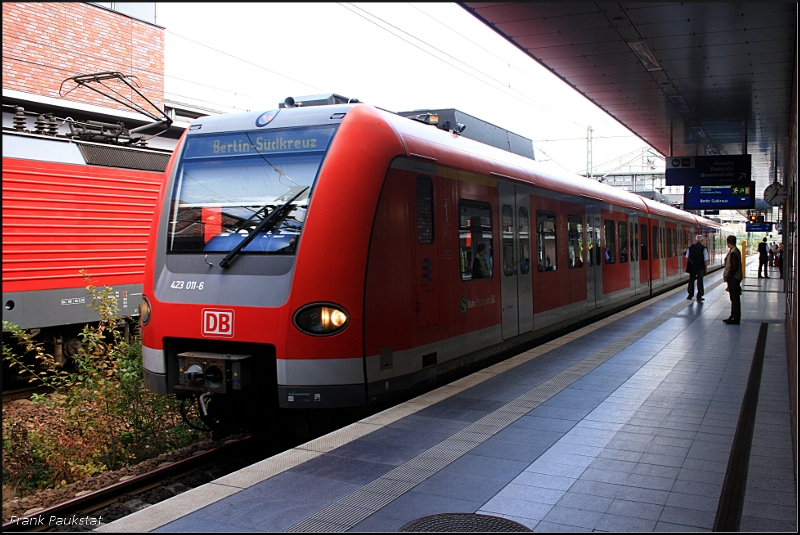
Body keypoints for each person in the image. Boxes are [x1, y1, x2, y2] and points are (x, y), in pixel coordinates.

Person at [723, 235, 743, 324]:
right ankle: (733, 316)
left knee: (734, 299)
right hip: (735, 278)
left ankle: (735, 318)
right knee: (734, 298)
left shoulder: (734, 252)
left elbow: (733, 267)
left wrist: (730, 276)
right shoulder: (734, 250)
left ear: (728, 242)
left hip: (734, 278)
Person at [686, 234, 708, 301]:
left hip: (692, 267)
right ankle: (699, 295)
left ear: (696, 240)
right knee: (700, 281)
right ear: (702, 240)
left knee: (691, 280)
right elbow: (705, 259)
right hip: (700, 267)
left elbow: (687, 256)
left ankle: (690, 295)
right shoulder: (703, 248)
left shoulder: (691, 247)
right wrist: (706, 269)